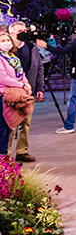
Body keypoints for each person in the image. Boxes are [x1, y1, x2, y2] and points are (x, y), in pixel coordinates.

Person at [8, 21, 44, 162]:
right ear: (11, 34)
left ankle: (22, 151)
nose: (23, 33)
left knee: (25, 123)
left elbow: (39, 68)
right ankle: (6, 154)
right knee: (10, 125)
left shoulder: (31, 48)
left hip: (29, 92)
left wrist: (40, 88)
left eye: (24, 30)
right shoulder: (5, 51)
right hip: (11, 93)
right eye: (19, 31)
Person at [0, 29, 33, 157]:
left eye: (8, 40)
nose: (6, 42)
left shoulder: (13, 58)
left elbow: (21, 74)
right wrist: (21, 85)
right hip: (3, 95)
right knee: (2, 129)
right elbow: (2, 78)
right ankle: (2, 159)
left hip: (15, 95)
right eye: (2, 41)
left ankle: (5, 162)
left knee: (9, 128)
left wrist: (27, 85)